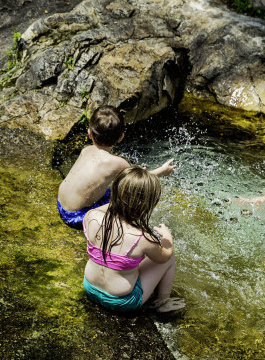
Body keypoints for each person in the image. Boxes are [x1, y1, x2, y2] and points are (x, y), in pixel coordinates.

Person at [82, 166, 185, 313]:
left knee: (125, 258)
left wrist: (128, 187)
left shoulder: (91, 216)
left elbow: (115, 204)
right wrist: (167, 238)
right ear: (146, 206)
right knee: (169, 257)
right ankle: (163, 302)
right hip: (122, 302)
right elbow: (164, 257)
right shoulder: (142, 238)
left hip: (90, 289)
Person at [57, 105, 176, 229]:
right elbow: (138, 181)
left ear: (89, 133)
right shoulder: (119, 163)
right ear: (121, 137)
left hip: (61, 203)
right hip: (77, 217)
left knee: (115, 190)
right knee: (131, 198)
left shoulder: (86, 150)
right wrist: (162, 171)